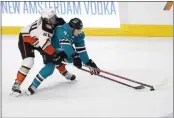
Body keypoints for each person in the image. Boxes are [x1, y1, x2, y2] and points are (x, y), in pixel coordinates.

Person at [25, 17, 100, 95]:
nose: (80, 32)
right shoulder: (62, 31)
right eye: (78, 30)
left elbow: (81, 50)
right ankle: (34, 85)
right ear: (72, 29)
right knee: (49, 68)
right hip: (49, 49)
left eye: (80, 30)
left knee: (71, 59)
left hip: (61, 51)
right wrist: (75, 56)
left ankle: (60, 66)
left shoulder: (78, 35)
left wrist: (88, 62)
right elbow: (66, 45)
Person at [11, 8, 67, 97]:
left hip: (39, 40)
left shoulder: (49, 21)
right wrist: (55, 55)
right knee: (29, 62)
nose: (54, 19)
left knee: (52, 60)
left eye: (54, 17)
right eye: (51, 18)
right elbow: (45, 45)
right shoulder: (44, 29)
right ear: (46, 20)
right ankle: (16, 84)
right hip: (27, 40)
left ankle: (64, 72)